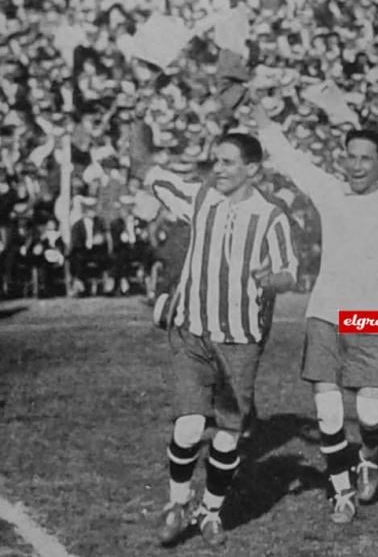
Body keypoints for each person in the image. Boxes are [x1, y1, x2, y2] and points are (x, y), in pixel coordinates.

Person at [253, 103, 378, 525]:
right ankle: (341, 490)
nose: (356, 166)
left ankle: (370, 456)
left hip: (371, 319)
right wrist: (262, 119)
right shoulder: (329, 191)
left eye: (365, 159)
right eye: (351, 157)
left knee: (372, 418)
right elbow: (289, 159)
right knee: (329, 413)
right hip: (325, 313)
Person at [135, 125, 299, 548]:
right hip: (191, 333)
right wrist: (139, 130)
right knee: (189, 427)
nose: (218, 169)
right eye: (215, 161)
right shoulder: (201, 198)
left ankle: (210, 511)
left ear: (251, 169)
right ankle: (177, 504)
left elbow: (289, 273)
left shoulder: (271, 217)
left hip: (239, 341)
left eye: (227, 162)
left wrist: (272, 279)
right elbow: (151, 172)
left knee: (227, 435)